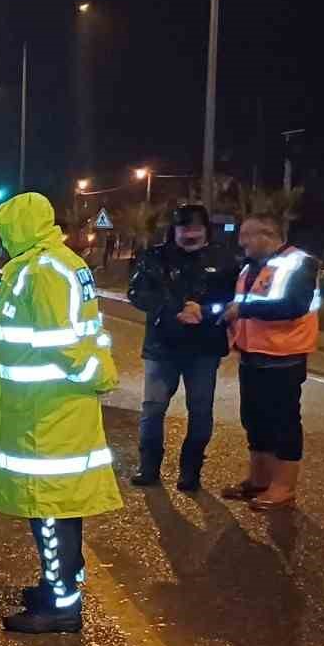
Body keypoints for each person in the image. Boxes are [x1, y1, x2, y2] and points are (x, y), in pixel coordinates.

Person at [0, 193, 122, 634]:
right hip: (48, 409)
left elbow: (64, 342)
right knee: (57, 506)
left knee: (49, 507)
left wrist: (96, 375)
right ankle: (58, 585)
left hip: (49, 412)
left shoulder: (45, 270)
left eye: (3, 228)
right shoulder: (51, 264)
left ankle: (61, 606)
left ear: (21, 225)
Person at [126, 203, 239, 490]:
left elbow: (234, 299)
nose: (190, 233)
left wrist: (205, 310)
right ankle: (148, 466)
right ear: (173, 229)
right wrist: (174, 308)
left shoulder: (224, 260)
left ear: (206, 230)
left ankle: (191, 472)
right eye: (184, 227)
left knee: (200, 411)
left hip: (204, 349)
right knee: (152, 408)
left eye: (196, 227)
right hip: (161, 347)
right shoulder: (154, 257)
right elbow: (137, 293)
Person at [221, 213, 320, 510]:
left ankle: (283, 488)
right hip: (252, 356)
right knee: (254, 420)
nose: (241, 243)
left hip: (284, 359)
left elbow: (295, 306)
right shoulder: (250, 267)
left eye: (246, 236)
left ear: (266, 234)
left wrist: (244, 309)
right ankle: (259, 480)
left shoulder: (299, 263)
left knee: (284, 423)